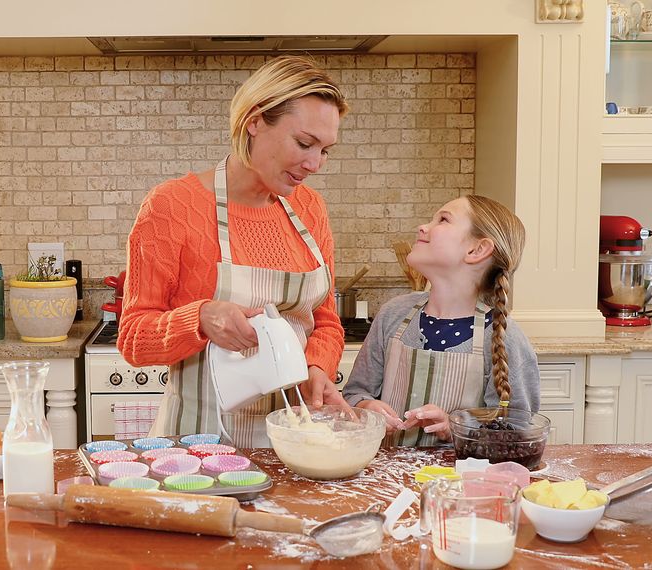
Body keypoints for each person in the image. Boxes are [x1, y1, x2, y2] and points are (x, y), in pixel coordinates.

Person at [117, 56, 350, 447]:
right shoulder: (172, 206)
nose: (315, 164)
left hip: (293, 439)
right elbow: (133, 338)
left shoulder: (310, 209)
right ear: (255, 121)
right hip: (196, 446)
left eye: (325, 150)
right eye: (305, 143)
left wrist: (316, 368)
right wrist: (203, 317)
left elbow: (326, 320)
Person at [342, 195, 540, 447]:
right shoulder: (393, 314)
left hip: (459, 483)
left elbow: (516, 435)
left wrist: (455, 427)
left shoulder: (504, 337)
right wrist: (366, 407)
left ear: (477, 250)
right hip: (384, 479)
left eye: (443, 220)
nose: (423, 227)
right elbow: (353, 394)